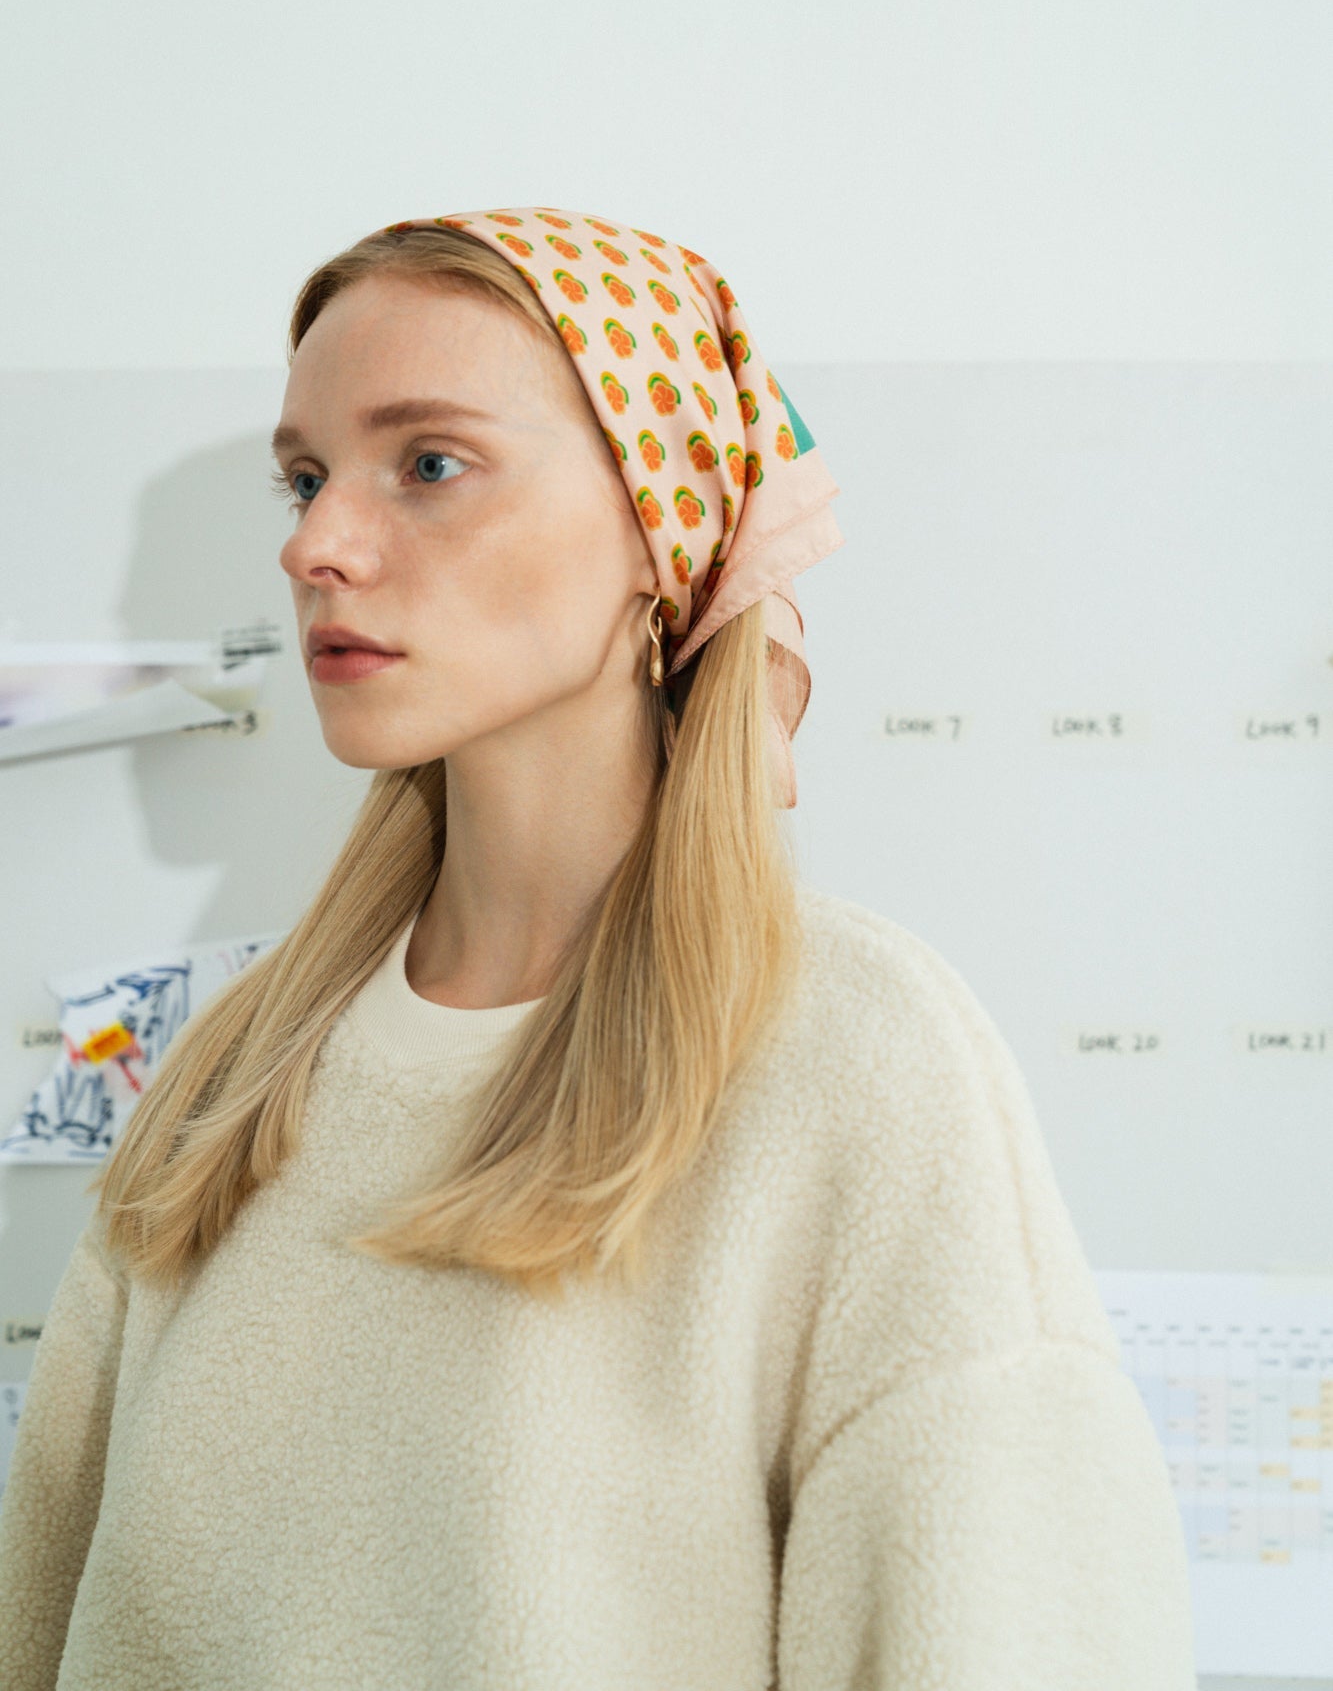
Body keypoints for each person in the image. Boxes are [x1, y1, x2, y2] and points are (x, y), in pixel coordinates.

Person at [0, 206, 1197, 1689]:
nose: (316, 542)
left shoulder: (857, 1066)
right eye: (303, 477)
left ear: (660, 525)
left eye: (428, 464)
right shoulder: (226, 1077)